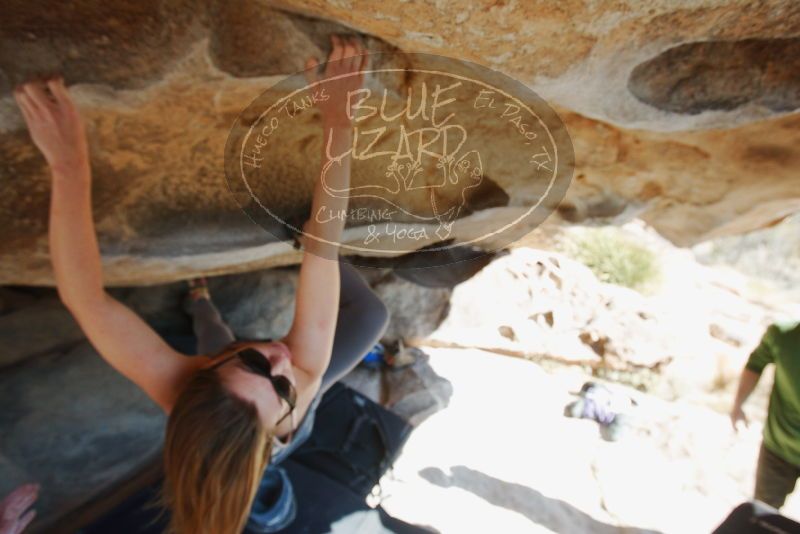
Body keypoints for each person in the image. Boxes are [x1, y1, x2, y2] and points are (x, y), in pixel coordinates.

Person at [14, 35, 381, 534]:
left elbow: (84, 298)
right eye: (279, 385)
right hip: (264, 431)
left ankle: (201, 302)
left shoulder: (179, 382)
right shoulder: (302, 378)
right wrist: (339, 122)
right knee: (370, 319)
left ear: (202, 370)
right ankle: (211, 316)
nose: (279, 357)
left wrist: (68, 164)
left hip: (220, 397)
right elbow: (323, 253)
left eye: (255, 363)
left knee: (216, 332)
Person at [730, 320, 800, 510]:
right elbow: (756, 363)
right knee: (762, 516)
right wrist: (738, 405)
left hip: (777, 446)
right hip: (778, 449)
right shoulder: (782, 336)